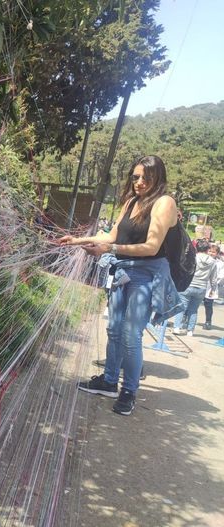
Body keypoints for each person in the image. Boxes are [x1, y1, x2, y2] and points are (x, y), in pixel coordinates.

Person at [58, 155, 181, 416]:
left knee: (130, 335)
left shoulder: (164, 203)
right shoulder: (131, 202)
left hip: (147, 275)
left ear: (157, 178)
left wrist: (109, 248)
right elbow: (111, 235)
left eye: (145, 178)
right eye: (135, 177)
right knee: (114, 330)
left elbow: (151, 247)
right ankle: (109, 381)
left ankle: (129, 391)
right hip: (124, 271)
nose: (138, 182)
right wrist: (79, 240)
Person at [172, 240, 218, 335]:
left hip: (189, 285)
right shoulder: (213, 262)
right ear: (207, 249)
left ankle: (177, 327)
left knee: (182, 307)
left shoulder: (193, 258)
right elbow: (213, 278)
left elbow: (184, 270)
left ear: (196, 248)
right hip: (201, 288)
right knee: (194, 310)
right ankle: (190, 331)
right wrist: (213, 289)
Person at [202, 244, 224, 330]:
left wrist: (214, 282)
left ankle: (208, 322)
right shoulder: (202, 259)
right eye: (210, 251)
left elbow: (221, 276)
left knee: (208, 305)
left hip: (211, 287)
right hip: (201, 284)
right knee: (193, 303)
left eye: (213, 252)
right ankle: (186, 318)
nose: (211, 253)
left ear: (217, 253)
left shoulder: (220, 264)